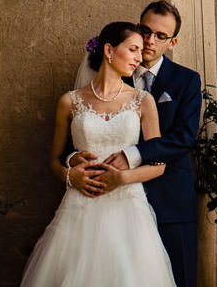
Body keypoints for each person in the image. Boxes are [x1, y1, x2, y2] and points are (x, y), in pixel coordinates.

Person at [20, 21, 177, 287]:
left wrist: (122, 179)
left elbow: (159, 164)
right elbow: (55, 161)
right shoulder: (69, 101)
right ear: (108, 50)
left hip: (128, 208)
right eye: (133, 49)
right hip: (80, 204)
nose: (139, 58)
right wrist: (71, 175)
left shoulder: (143, 101)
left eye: (141, 51)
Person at [70, 0, 202, 287]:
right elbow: (86, 132)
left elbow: (184, 138)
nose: (150, 40)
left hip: (170, 203)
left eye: (161, 36)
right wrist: (73, 164)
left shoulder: (187, 81)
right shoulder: (108, 73)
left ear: (173, 42)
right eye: (145, 30)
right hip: (111, 205)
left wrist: (131, 155)